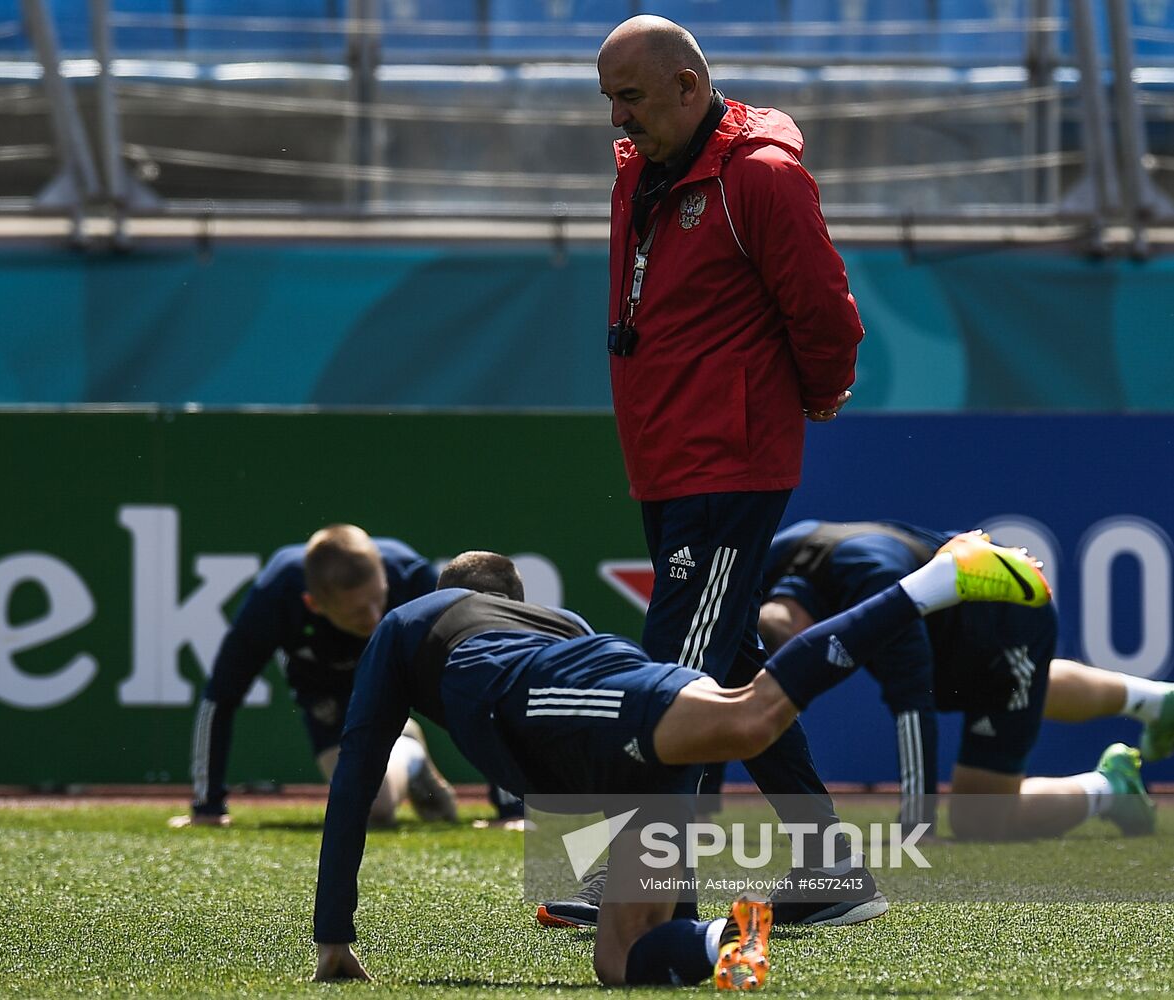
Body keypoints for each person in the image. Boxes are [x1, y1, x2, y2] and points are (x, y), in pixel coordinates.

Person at [312, 533, 1051, 988]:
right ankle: (729, 936)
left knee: (753, 715)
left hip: (600, 711)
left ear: (449, 596)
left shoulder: (408, 623)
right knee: (619, 960)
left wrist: (333, 933)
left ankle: (935, 580)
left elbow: (354, 779)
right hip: (627, 736)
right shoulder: (555, 618)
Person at [537, 14, 867, 931]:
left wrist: (821, 392)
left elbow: (824, 310)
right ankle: (829, 869)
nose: (616, 120)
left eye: (630, 98)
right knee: (726, 666)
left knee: (672, 679)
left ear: (688, 88)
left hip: (726, 463)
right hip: (670, 460)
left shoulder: (757, 177)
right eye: (607, 101)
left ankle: (644, 888)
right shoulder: (644, 169)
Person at [758, 519, 1166, 840]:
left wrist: (917, 825)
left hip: (1009, 621)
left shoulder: (875, 589)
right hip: (953, 625)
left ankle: (1110, 787)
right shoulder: (772, 559)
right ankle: (1155, 702)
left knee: (981, 819)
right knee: (1030, 684)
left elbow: (913, 706)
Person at [168, 524, 456, 829]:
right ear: (313, 604)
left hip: (398, 669)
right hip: (326, 688)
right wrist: (208, 806)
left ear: (384, 576)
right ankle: (409, 749)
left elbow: (481, 680)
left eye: (380, 600)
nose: (375, 618)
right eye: (358, 613)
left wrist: (511, 807)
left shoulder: (412, 575)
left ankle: (401, 744)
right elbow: (219, 697)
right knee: (372, 808)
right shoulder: (275, 596)